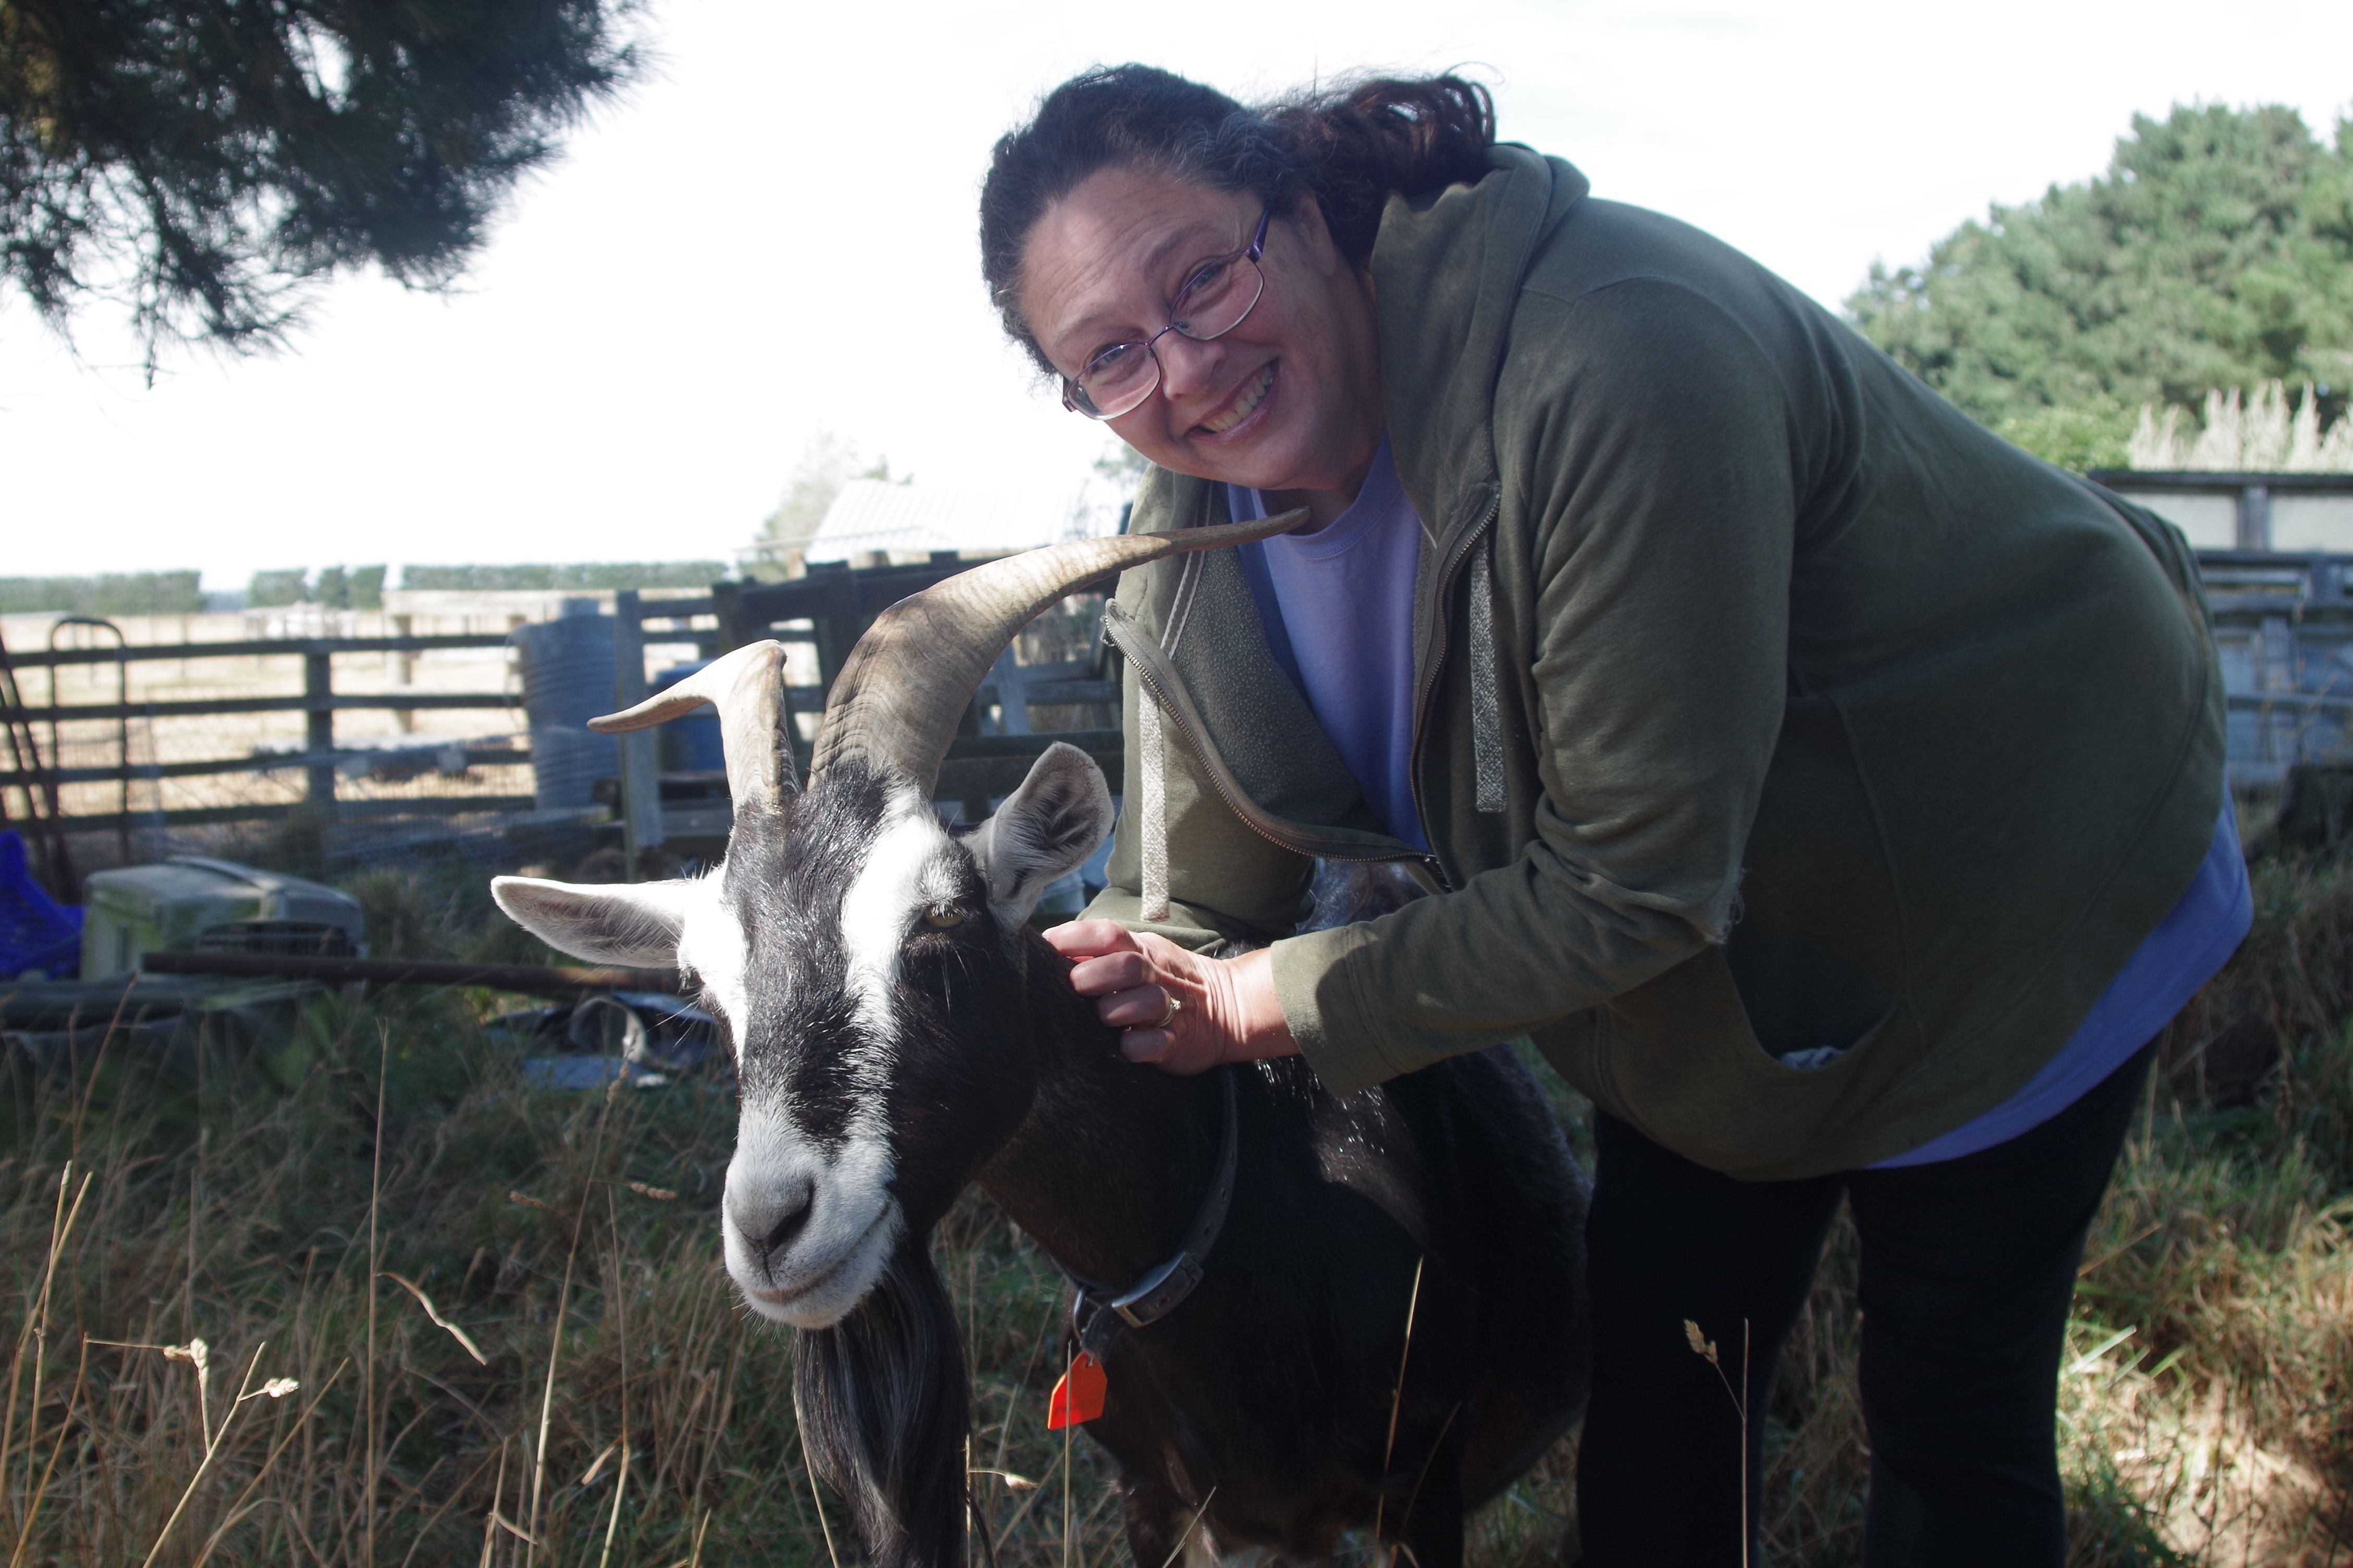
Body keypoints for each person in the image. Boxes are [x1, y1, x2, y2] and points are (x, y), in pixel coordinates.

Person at [977, 64, 2249, 1564]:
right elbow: (1202, 906)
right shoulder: (1185, 550)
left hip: (2011, 851)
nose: (1182, 371)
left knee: (1945, 1408)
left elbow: (1632, 882)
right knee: (1662, 1407)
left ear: (1308, 217)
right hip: (1700, 972)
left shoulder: (1608, 356)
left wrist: (1253, 1001)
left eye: (1203, 278)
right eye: (1111, 355)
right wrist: (1097, 993)